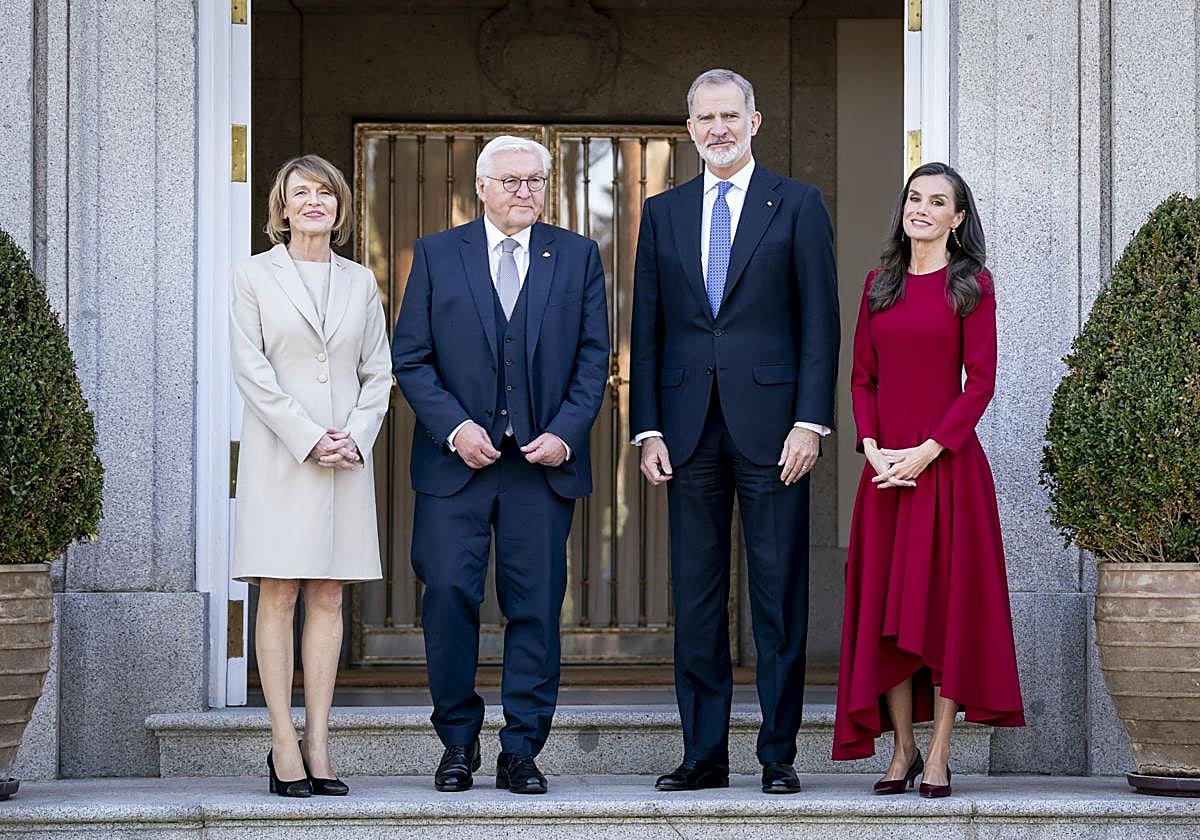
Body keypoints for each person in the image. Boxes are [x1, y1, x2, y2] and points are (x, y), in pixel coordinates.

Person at [629, 68, 839, 795]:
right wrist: (648, 428)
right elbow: (647, 330)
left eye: (729, 115)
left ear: (755, 121)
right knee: (696, 600)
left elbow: (820, 322)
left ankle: (777, 755)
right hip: (687, 431)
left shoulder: (798, 203)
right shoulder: (663, 212)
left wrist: (810, 422)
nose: (717, 128)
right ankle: (704, 755)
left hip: (777, 430)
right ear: (689, 128)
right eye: (704, 117)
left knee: (777, 596)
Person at [392, 135, 609, 795]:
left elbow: (593, 357)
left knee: (537, 606)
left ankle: (522, 750)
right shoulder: (437, 253)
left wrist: (566, 433)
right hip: (455, 465)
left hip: (538, 468)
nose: (524, 191)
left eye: (535, 180)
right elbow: (412, 357)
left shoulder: (577, 255)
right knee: (448, 596)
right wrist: (455, 428)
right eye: (511, 180)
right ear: (481, 187)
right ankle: (458, 743)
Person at [832, 162, 1024, 797]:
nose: (921, 208)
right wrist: (873, 449)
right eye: (915, 197)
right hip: (885, 472)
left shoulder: (972, 286)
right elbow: (862, 378)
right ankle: (903, 749)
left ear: (957, 218)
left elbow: (981, 382)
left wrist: (928, 451)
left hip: (948, 471)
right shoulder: (879, 284)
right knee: (883, 609)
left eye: (938, 201)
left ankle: (939, 752)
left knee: (944, 611)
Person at [230, 154, 392, 797]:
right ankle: (281, 742)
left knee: (328, 595)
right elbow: (252, 371)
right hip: (282, 458)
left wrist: (354, 435)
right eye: (301, 193)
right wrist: (308, 436)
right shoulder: (252, 275)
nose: (314, 202)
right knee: (279, 592)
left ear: (340, 206)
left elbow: (378, 370)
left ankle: (319, 742)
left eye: (325, 192)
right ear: (283, 207)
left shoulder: (361, 280)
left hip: (345, 458)